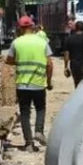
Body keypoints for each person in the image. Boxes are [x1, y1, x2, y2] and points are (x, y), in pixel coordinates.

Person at [6, 16, 53, 151]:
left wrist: (19, 62)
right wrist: (48, 82)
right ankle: (39, 130)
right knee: (40, 108)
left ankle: (28, 144)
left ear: (20, 28)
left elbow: (8, 60)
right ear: (32, 26)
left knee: (25, 113)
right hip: (38, 83)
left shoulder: (16, 43)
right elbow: (49, 64)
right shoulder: (42, 42)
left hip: (22, 84)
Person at [63, 20, 83, 87]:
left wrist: (66, 67)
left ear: (75, 28)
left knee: (77, 83)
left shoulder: (69, 39)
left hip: (74, 65)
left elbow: (66, 54)